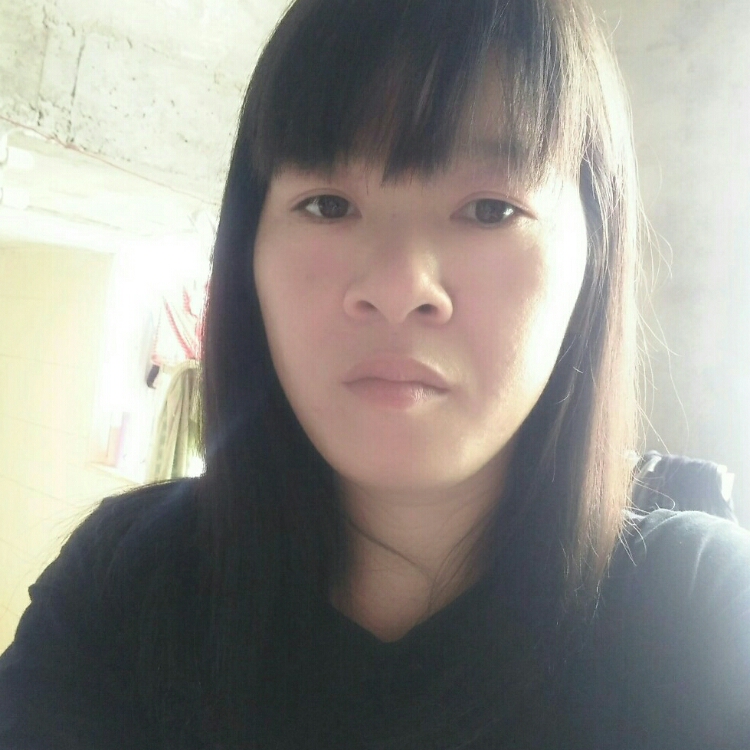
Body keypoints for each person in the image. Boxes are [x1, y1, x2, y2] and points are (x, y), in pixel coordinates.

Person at [1, 0, 749, 747]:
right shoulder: (125, 585)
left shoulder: (702, 614)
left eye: (490, 209)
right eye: (328, 204)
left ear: (596, 258)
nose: (397, 286)